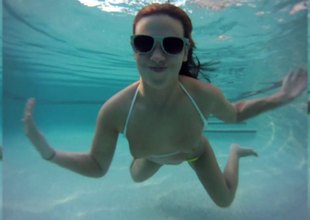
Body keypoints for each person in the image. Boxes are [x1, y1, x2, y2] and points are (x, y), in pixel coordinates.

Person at [23, 3, 307, 208]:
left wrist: (282, 97)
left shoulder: (202, 95)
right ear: (134, 49)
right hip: (151, 158)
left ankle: (235, 153)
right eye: (145, 43)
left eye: (170, 45)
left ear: (184, 52)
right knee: (136, 179)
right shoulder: (116, 110)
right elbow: (97, 166)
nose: (157, 55)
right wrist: (49, 153)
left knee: (224, 201)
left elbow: (235, 114)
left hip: (194, 153)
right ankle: (151, 157)